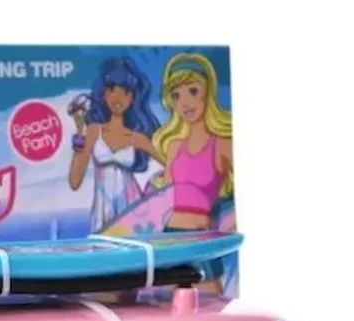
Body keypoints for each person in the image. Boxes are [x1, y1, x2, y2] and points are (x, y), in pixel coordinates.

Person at [151, 52, 234, 293]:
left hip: (201, 240)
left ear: (208, 91)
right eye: (177, 96)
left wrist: (225, 234)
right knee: (163, 305)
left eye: (192, 91)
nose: (185, 102)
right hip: (169, 237)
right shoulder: (175, 147)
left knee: (211, 306)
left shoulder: (222, 145)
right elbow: (164, 199)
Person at [68, 57, 160, 231]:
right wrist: (80, 131)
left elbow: (170, 163)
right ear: (104, 94)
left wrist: (156, 186)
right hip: (103, 211)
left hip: (132, 210)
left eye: (125, 91)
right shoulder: (94, 131)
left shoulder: (136, 138)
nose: (118, 97)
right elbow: (75, 181)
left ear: (133, 97)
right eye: (111, 89)